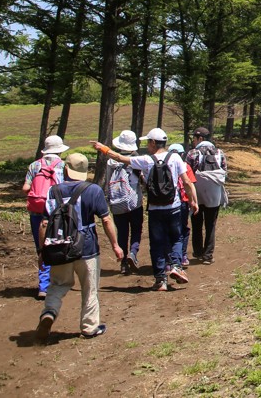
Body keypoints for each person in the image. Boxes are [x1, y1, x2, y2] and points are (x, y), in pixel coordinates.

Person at [93, 128, 198, 291]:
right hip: (174, 206)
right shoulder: (175, 157)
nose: (147, 145)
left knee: (156, 243)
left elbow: (119, 157)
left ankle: (160, 280)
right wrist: (192, 201)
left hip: (155, 208)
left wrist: (103, 148)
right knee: (176, 237)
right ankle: (176, 266)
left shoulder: (146, 160)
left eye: (148, 142)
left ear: (154, 143)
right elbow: (186, 181)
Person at [35, 153, 123, 343]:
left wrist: (42, 251)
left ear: (66, 169)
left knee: (58, 285)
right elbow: (106, 220)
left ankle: (49, 312)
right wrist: (115, 245)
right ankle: (89, 327)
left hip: (59, 247)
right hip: (87, 248)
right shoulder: (93, 190)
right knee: (90, 288)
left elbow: (43, 224)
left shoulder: (53, 191)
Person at [23, 135, 68, 299]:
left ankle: (43, 286)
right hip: (56, 212)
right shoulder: (63, 166)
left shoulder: (34, 166)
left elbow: (25, 188)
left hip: (36, 211)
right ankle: (57, 283)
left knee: (41, 247)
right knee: (57, 243)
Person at [102, 130, 143, 275]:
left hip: (117, 202)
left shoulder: (110, 162)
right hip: (134, 201)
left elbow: (108, 182)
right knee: (136, 229)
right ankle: (133, 252)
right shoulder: (136, 160)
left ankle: (124, 263)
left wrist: (109, 199)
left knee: (122, 232)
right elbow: (142, 180)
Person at [186, 127, 228, 264]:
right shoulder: (220, 153)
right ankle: (208, 255)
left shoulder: (192, 153)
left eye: (194, 138)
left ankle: (198, 251)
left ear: (200, 139)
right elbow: (224, 171)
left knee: (196, 222)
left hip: (197, 192)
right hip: (214, 193)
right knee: (211, 224)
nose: (193, 141)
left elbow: (187, 173)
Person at [167, 143, 194, 271]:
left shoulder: (163, 164)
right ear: (182, 154)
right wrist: (193, 201)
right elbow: (189, 183)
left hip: (166, 202)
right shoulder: (185, 166)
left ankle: (168, 259)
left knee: (167, 231)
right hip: (182, 201)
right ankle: (182, 256)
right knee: (182, 230)